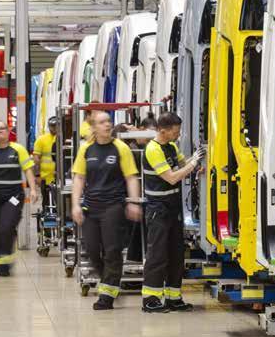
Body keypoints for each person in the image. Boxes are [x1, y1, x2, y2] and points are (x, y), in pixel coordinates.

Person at [71, 111, 142, 310]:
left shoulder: (121, 148)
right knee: (92, 249)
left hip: (114, 205)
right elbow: (79, 178)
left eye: (109, 121)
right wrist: (75, 204)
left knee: (112, 249)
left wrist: (133, 202)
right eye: (102, 122)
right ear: (93, 127)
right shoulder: (86, 149)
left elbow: (131, 177)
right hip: (91, 206)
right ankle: (108, 281)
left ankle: (107, 296)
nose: (107, 125)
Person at [141, 112, 201, 313]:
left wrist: (196, 163)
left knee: (176, 254)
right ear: (162, 130)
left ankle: (173, 298)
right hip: (157, 209)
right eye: (175, 132)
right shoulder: (153, 149)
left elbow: (184, 165)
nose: (178, 135)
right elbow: (172, 177)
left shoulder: (171, 147)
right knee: (157, 255)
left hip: (173, 208)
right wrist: (193, 164)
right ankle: (151, 299)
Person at [0, 119, 39, 276]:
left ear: (8, 131)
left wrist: (33, 189)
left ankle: (5, 259)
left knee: (5, 227)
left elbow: (28, 170)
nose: (1, 131)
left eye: (3, 128)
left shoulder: (18, 149)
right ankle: (1, 264)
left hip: (13, 196)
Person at [32, 116, 58, 205]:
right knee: (47, 202)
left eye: (56, 126)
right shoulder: (41, 139)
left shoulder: (63, 139)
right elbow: (36, 159)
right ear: (49, 126)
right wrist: (37, 175)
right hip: (45, 177)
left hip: (61, 178)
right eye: (52, 126)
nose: (54, 128)